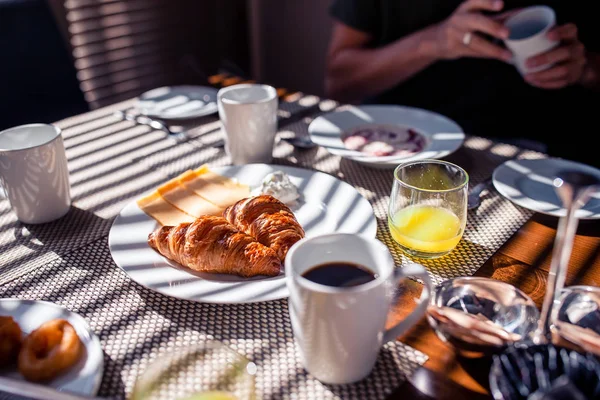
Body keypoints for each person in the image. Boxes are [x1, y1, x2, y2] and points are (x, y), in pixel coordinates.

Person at [325, 0, 600, 166]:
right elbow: (340, 82)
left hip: (540, 155)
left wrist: (583, 68)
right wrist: (434, 42)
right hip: (392, 151)